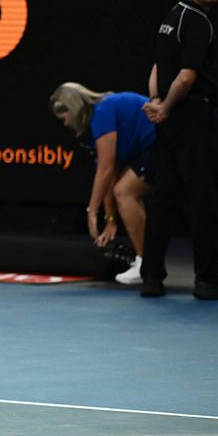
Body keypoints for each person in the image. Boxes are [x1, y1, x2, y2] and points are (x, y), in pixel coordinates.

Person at [139, 0, 218, 300]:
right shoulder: (198, 22)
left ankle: (152, 277)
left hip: (171, 122)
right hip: (193, 119)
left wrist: (157, 102)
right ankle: (208, 278)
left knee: (164, 199)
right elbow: (186, 77)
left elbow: (159, 66)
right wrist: (166, 107)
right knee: (204, 199)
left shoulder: (171, 18)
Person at [48, 82, 156, 284]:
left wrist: (92, 211)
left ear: (74, 109)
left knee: (125, 192)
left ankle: (147, 264)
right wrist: (110, 220)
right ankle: (148, 261)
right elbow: (108, 173)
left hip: (162, 144)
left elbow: (106, 170)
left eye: (65, 118)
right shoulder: (94, 127)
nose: (65, 124)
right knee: (123, 190)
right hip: (148, 150)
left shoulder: (102, 111)